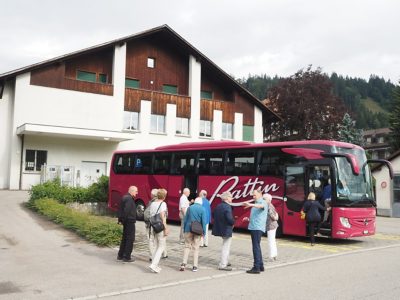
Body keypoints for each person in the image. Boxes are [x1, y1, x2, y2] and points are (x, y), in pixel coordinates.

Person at [243, 189, 268, 274]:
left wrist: (250, 204)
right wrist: (249, 219)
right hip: (254, 227)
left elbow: (261, 206)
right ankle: (260, 266)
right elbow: (258, 216)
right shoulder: (256, 204)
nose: (253, 197)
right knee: (257, 246)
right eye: (252, 195)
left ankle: (256, 267)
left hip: (257, 228)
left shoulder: (263, 202)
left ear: (260, 194)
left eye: (255, 195)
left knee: (255, 247)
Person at [180, 197, 207, 272]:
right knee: (196, 248)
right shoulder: (202, 209)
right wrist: (203, 232)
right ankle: (195, 266)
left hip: (188, 229)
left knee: (187, 246)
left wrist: (184, 229)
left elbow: (185, 219)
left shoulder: (190, 208)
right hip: (197, 230)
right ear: (201, 203)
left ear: (195, 201)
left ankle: (183, 264)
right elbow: (204, 222)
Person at [212, 191, 235, 271]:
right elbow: (229, 219)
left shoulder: (218, 206)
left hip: (221, 228)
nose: (232, 198)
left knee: (225, 245)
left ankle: (226, 261)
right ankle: (222, 264)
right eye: (231, 197)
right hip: (226, 229)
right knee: (226, 246)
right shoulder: (227, 207)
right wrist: (233, 222)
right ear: (226, 198)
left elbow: (213, 215)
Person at [148, 188, 169, 273]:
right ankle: (153, 265)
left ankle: (154, 264)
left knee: (156, 245)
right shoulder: (163, 204)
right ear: (164, 196)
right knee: (161, 246)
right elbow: (162, 217)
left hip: (153, 226)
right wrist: (166, 228)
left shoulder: (153, 203)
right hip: (160, 227)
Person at [117, 186, 138, 262]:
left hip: (126, 221)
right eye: (136, 191)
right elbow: (126, 211)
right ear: (132, 191)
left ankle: (120, 255)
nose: (137, 193)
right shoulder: (129, 199)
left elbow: (120, 210)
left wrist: (121, 220)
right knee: (130, 239)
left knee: (125, 238)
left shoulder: (125, 197)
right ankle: (127, 256)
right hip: (129, 221)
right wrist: (124, 220)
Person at [263, 193, 278, 262]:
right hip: (273, 225)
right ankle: (274, 255)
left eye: (264, 199)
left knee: (270, 241)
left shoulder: (268, 206)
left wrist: (274, 217)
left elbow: (272, 214)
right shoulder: (271, 205)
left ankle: (271, 256)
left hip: (270, 225)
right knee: (273, 240)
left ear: (269, 200)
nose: (263, 200)